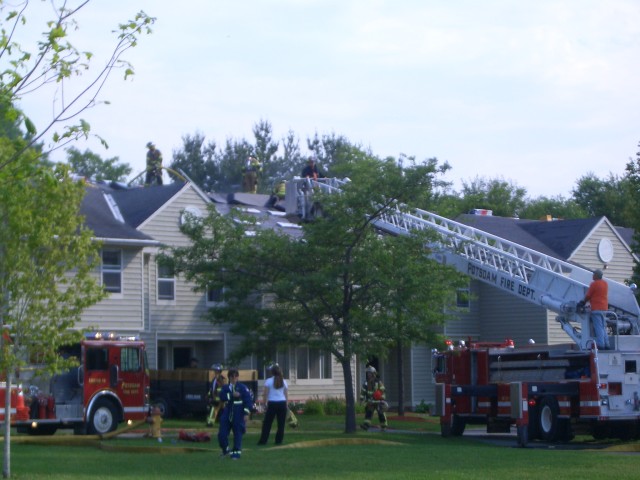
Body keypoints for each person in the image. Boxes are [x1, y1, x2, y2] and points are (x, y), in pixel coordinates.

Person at [217, 368, 253, 459]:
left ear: (238, 377)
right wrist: (231, 395)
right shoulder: (225, 388)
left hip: (239, 413)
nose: (234, 378)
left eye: (235, 376)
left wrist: (246, 413)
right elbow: (222, 396)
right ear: (229, 377)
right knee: (222, 433)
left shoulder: (242, 387)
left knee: (238, 433)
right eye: (232, 376)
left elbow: (248, 401)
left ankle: (236, 453)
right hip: (227, 412)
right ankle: (225, 449)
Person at [257, 363, 289, 445]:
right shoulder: (284, 381)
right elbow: (286, 394)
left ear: (272, 372)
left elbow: (265, 394)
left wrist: (264, 404)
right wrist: (286, 404)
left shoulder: (268, 381)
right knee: (281, 424)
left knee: (267, 423)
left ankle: (263, 440)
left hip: (272, 404)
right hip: (282, 403)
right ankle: (278, 441)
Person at [579, 269, 610, 349]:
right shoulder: (605, 284)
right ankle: (607, 344)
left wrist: (583, 302)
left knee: (598, 327)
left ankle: (601, 345)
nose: (592, 276)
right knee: (603, 327)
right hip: (604, 308)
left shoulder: (594, 284)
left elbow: (588, 295)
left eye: (593, 274)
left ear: (596, 275)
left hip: (596, 308)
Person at [360, 365, 388, 431]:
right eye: (368, 373)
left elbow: (383, 390)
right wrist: (361, 399)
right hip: (370, 402)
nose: (368, 374)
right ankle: (366, 426)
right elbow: (363, 392)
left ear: (373, 374)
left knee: (381, 414)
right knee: (368, 413)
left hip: (378, 402)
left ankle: (383, 426)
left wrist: (381, 397)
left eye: (370, 373)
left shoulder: (378, 382)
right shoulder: (366, 383)